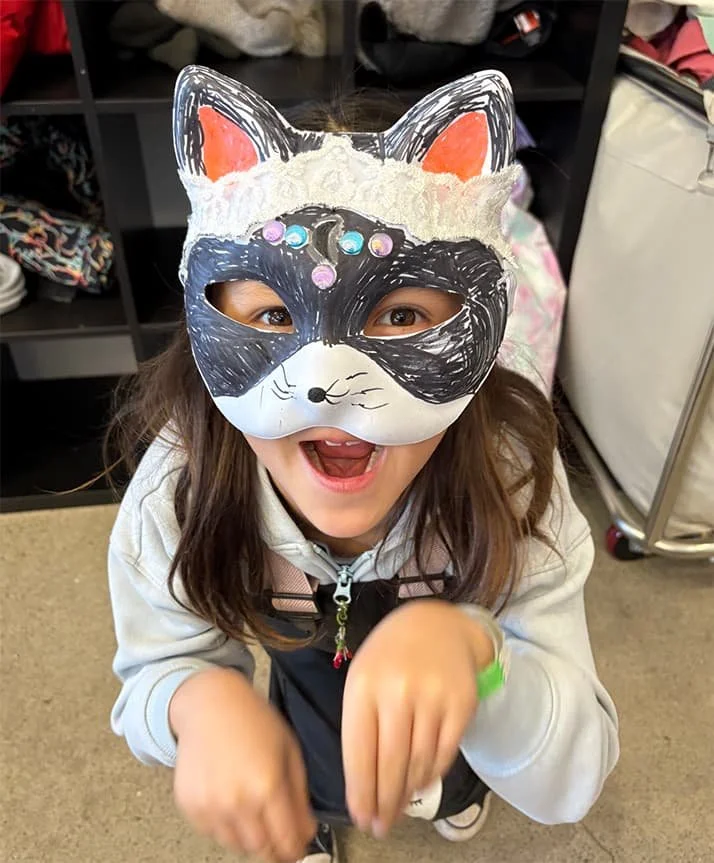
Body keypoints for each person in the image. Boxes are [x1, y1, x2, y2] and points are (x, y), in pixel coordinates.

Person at [107, 65, 619, 863]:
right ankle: (313, 815)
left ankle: (455, 787)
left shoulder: (510, 480)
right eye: (272, 313)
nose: (325, 388)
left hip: (467, 717)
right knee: (311, 763)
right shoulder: (181, 490)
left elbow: (573, 774)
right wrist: (194, 702)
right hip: (299, 735)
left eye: (402, 314)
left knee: (457, 750)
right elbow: (156, 664)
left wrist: (480, 661)